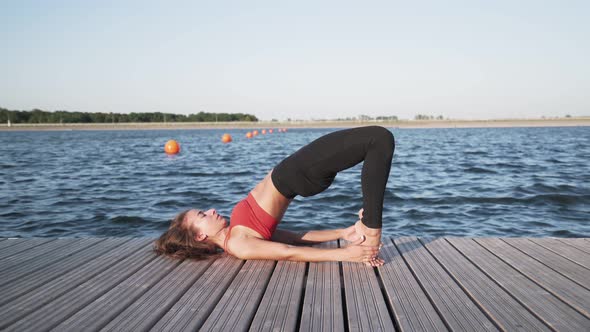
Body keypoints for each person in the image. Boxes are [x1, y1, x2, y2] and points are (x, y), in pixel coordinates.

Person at [155, 126, 395, 266]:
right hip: (297, 172)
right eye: (202, 215)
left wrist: (342, 233)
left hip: (296, 175)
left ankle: (369, 225)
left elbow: (291, 238)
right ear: (200, 235)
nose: (211, 210)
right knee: (379, 138)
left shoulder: (235, 237)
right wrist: (344, 255)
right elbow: (287, 252)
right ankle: (372, 229)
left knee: (375, 141)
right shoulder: (239, 245)